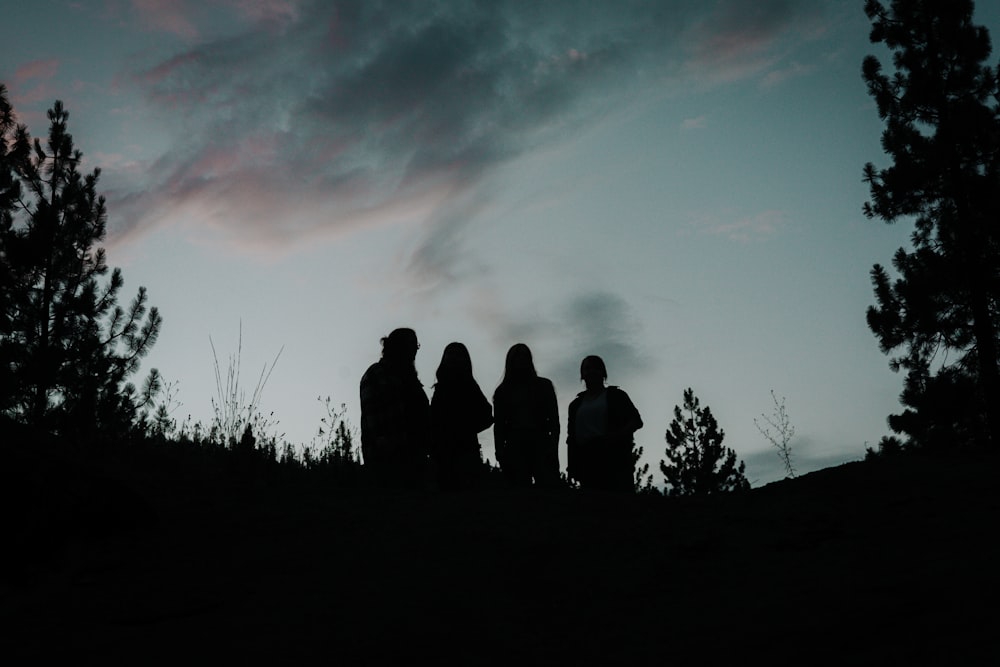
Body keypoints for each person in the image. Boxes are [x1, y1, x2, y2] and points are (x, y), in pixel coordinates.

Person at [359, 328, 430, 485]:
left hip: (415, 461)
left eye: (415, 345)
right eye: (410, 344)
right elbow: (374, 422)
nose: (414, 350)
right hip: (387, 463)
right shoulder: (376, 374)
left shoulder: (411, 380)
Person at [566, 355, 643, 492]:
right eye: (587, 369)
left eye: (595, 368)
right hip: (587, 461)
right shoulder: (575, 405)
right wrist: (572, 466)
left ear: (603, 372)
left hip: (614, 458)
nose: (591, 372)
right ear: (582, 375)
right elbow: (571, 438)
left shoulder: (617, 396)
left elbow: (636, 421)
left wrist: (617, 436)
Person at [492, 343, 560, 487]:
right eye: (517, 356)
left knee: (549, 491)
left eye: (524, 355)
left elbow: (554, 420)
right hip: (515, 444)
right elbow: (499, 425)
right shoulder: (502, 392)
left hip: (541, 441)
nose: (521, 359)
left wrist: (553, 446)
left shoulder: (544, 386)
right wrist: (500, 451)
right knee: (520, 493)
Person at [429, 342, 493, 490]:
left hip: (464, 454)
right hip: (442, 454)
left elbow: (487, 415)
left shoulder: (469, 386)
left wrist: (465, 429)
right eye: (450, 354)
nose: (453, 358)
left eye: (457, 355)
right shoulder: (441, 388)